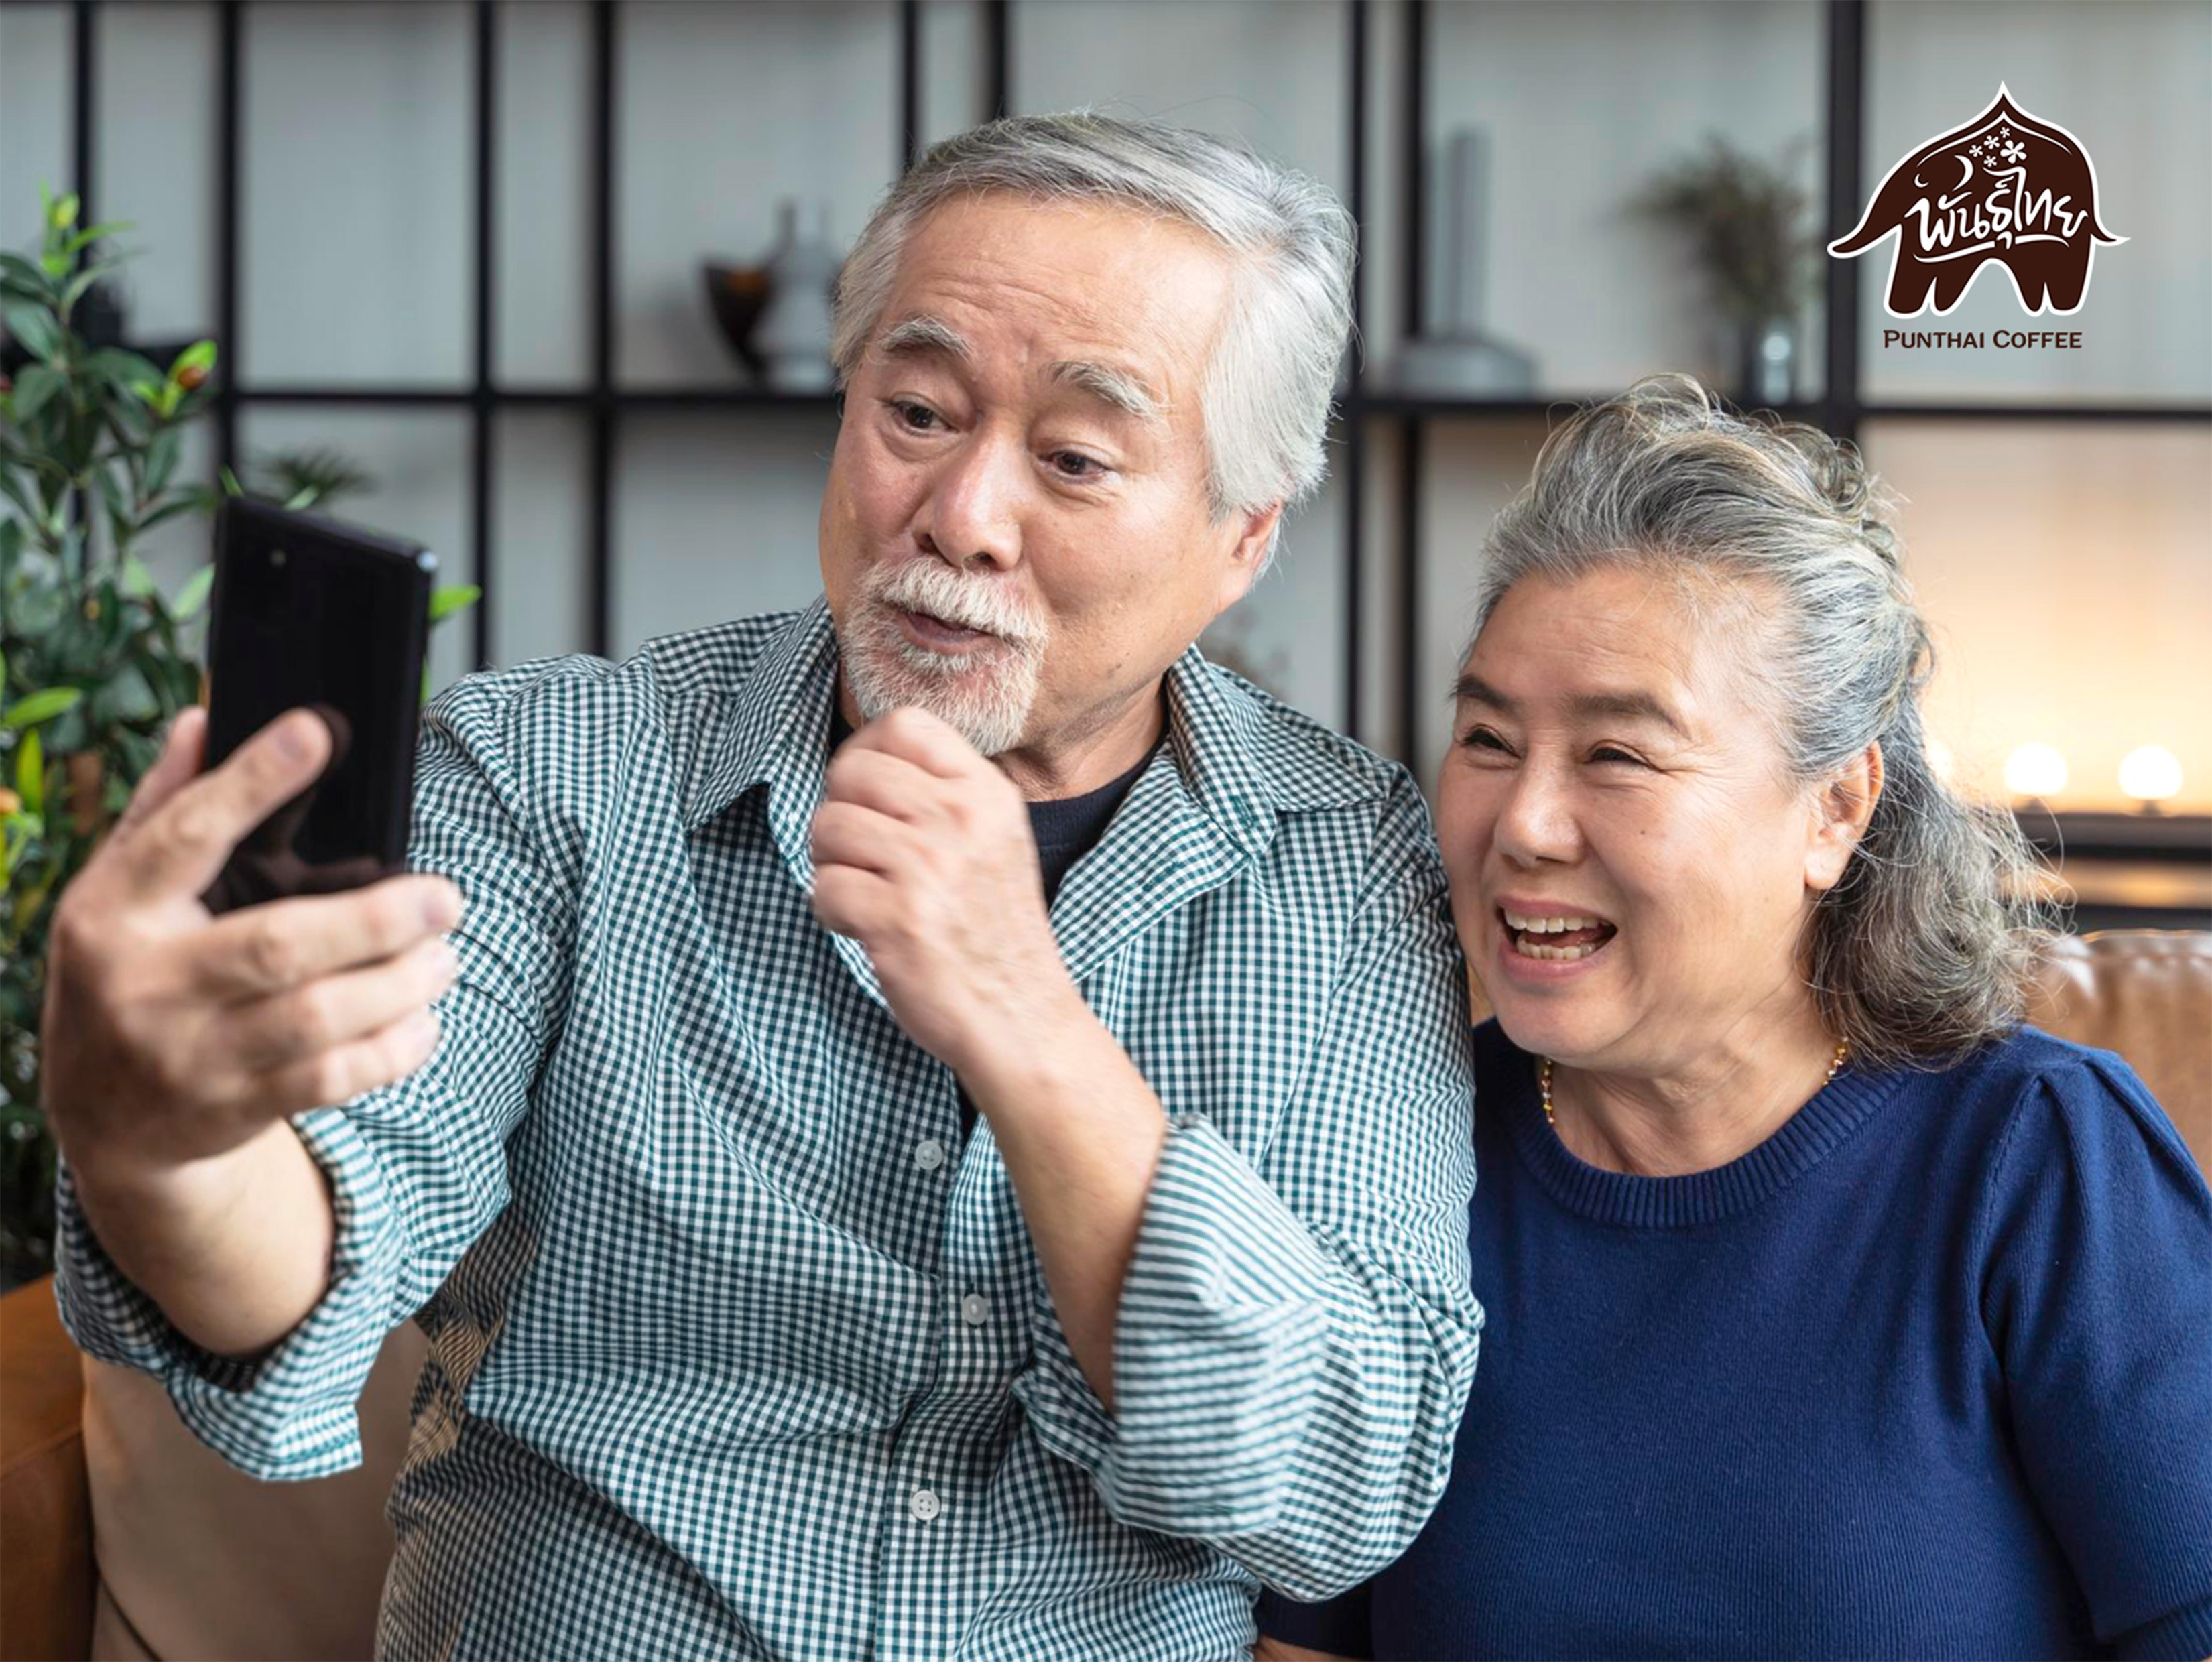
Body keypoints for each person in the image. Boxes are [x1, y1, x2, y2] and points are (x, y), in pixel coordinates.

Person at [42, 114, 1483, 1661]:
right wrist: (157, 1143)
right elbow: (331, 1231)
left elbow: (1346, 1470)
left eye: (1075, 458)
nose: (962, 518)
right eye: (917, 411)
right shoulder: (560, 771)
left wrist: (1027, 1023)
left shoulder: (1340, 861)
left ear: (1240, 538)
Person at [1259, 376, 2212, 1661]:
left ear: (1835, 810)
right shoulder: (1388, 1140)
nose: (1524, 824)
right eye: (1488, 737)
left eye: (1618, 754)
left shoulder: (2035, 1159)